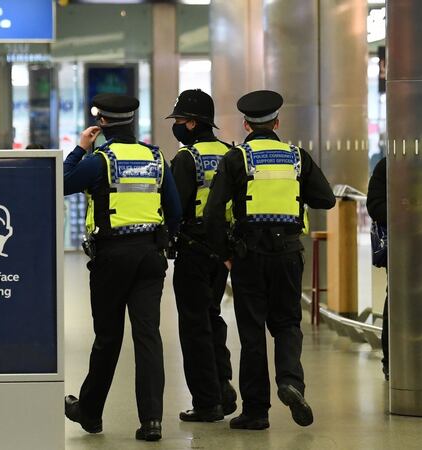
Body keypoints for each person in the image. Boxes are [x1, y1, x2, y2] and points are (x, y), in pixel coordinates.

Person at [203, 90, 335, 430]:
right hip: (289, 254)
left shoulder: (237, 159)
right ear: (277, 122)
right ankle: (291, 382)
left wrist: (226, 255)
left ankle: (256, 411)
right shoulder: (296, 157)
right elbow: (326, 198)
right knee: (288, 324)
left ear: (246, 125)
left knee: (252, 333)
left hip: (249, 256)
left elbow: (214, 214)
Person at [62, 94, 181, 442]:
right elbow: (173, 211)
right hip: (149, 257)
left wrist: (80, 148)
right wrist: (161, 243)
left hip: (112, 258)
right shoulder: (156, 157)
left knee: (108, 337)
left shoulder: (100, 160)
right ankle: (152, 421)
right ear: (132, 120)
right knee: (148, 337)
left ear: (101, 123)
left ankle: (91, 412)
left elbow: (62, 183)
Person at [166, 89, 237, 423]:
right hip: (222, 250)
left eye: (179, 120)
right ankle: (223, 388)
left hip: (193, 250)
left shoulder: (187, 158)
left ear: (193, 123)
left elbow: (175, 208)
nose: (177, 125)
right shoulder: (231, 153)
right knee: (213, 317)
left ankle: (207, 402)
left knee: (194, 326)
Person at [366, 156, 389, 381]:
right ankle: (390, 360)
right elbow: (375, 205)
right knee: (397, 298)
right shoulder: (388, 164)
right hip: (402, 244)